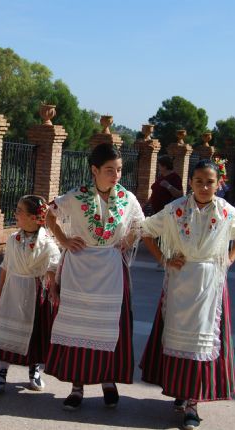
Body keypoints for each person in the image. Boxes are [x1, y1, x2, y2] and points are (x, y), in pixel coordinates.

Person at [139, 159, 235, 430]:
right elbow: (146, 231)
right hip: (180, 281)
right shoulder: (175, 209)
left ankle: (192, 403)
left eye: (209, 182)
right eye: (198, 181)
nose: (203, 186)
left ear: (218, 183)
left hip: (210, 283)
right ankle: (180, 390)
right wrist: (164, 260)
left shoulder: (225, 211)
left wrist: (230, 259)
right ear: (190, 182)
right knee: (178, 336)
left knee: (202, 342)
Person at [44, 143, 144, 411]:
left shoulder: (127, 198)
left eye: (120, 170)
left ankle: (108, 381)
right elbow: (49, 215)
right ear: (94, 170)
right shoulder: (76, 197)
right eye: (110, 170)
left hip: (111, 269)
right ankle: (77, 386)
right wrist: (64, 239)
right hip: (80, 269)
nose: (116, 176)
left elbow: (139, 225)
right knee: (79, 326)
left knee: (112, 326)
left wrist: (127, 241)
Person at [0, 195, 61, 397]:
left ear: (34, 218)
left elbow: (53, 270)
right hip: (12, 292)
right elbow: (6, 267)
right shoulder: (12, 240)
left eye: (20, 211)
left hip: (36, 293)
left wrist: (54, 292)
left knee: (34, 333)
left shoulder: (47, 244)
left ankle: (34, 371)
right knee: (5, 331)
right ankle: (1, 373)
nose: (15, 214)